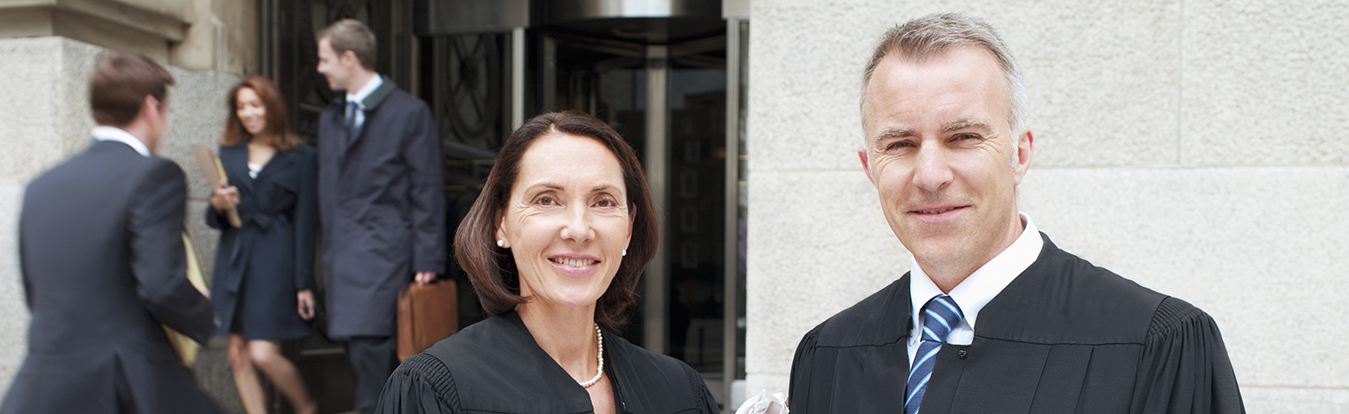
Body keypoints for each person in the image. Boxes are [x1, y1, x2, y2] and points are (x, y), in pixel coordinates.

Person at [788, 13, 1244, 414]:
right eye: (900, 144)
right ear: (870, 167)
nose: (929, 175)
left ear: (1019, 155)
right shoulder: (827, 353)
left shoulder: (1157, 345)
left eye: (963, 137)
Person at [374, 110, 719, 414]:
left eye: (602, 202)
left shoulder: (678, 390)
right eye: (547, 200)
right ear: (501, 224)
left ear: (628, 230)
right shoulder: (433, 389)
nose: (579, 229)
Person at [0, 51, 221, 413]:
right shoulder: (155, 175)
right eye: (167, 111)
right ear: (152, 107)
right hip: (128, 383)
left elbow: (36, 291)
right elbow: (161, 286)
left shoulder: (41, 186)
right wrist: (203, 312)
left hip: (45, 388)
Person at [314, 18, 446, 414]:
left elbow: (426, 188)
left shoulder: (408, 112)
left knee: (372, 357)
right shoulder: (329, 119)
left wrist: (427, 258)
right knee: (360, 353)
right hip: (342, 259)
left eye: (324, 59)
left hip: (386, 255)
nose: (320, 68)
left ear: (349, 58)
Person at [207, 75, 319, 414]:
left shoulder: (302, 157)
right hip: (235, 256)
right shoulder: (228, 151)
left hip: (275, 258)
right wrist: (218, 205)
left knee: (263, 354)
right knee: (237, 353)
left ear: (271, 107)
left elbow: (306, 223)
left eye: (254, 105)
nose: (247, 113)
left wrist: (304, 283)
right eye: (241, 107)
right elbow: (214, 219)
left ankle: (306, 407)